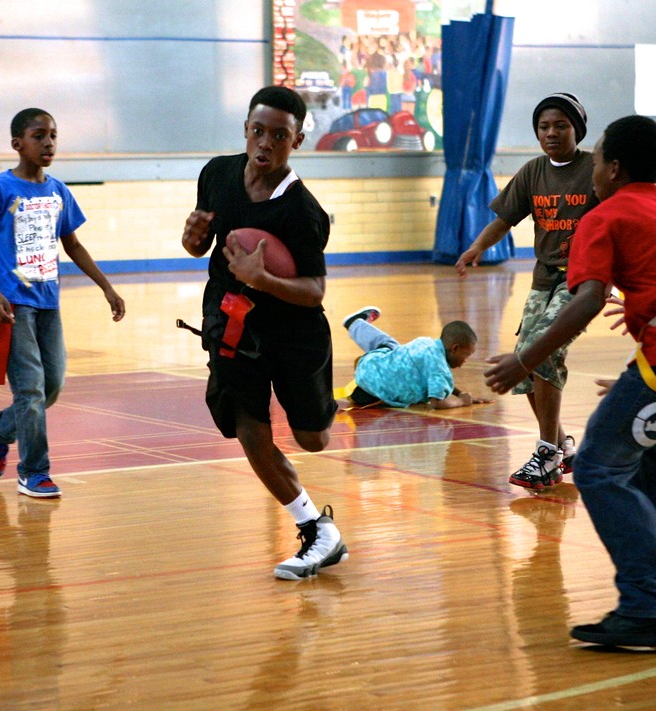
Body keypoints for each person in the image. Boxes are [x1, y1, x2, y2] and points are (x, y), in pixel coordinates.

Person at [485, 115, 656, 649]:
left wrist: (524, 359)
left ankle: (649, 607)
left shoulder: (601, 217)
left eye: (599, 157)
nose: (593, 168)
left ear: (613, 169)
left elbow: (585, 301)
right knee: (652, 464)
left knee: (599, 467)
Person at [181, 86, 346, 581]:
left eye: (279, 135)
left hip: (294, 329)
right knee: (247, 424)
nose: (266, 143)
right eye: (258, 131)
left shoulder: (302, 211)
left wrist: (264, 279)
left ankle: (320, 406)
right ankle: (317, 529)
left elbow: (314, 291)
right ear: (246, 130)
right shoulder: (217, 174)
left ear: (297, 141)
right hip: (232, 320)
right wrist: (191, 240)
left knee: (312, 439)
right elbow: (201, 245)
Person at [0, 108, 125, 499]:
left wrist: (107, 287)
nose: (48, 143)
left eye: (53, 135)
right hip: (12, 306)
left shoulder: (58, 191)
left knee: (52, 385)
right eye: (39, 136)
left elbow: (74, 245)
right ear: (17, 143)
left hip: (49, 303)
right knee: (31, 391)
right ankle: (34, 472)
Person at [455, 92, 598, 490]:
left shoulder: (595, 169)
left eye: (561, 126)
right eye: (544, 126)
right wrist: (477, 247)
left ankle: (547, 455)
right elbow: (504, 219)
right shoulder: (533, 171)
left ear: (577, 130)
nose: (551, 133)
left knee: (543, 352)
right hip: (544, 277)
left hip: (582, 279)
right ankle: (561, 446)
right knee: (527, 360)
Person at [339, 306, 490, 410]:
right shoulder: (439, 369)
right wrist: (461, 402)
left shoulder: (425, 342)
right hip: (369, 395)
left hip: (368, 366)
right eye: (467, 355)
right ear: (455, 348)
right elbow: (437, 403)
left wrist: (459, 393)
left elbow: (437, 381)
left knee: (394, 348)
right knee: (394, 350)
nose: (466, 360)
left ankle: (356, 324)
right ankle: (355, 323)